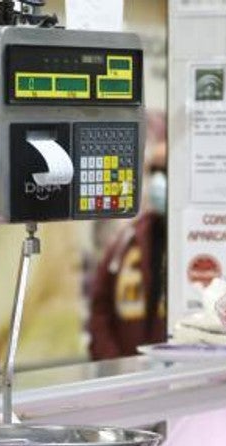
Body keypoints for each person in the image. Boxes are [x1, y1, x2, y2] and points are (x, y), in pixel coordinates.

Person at [87, 143, 168, 359]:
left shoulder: (196, 245)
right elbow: (100, 308)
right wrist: (112, 365)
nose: (159, 180)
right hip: (128, 379)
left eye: (166, 171)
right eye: (155, 172)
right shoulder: (127, 240)